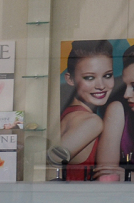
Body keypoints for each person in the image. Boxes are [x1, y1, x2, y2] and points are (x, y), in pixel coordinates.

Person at [54, 39, 114, 180]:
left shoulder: (72, 114)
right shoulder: (91, 122)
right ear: (70, 79)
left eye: (107, 75)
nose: (101, 85)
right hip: (80, 199)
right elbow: (51, 161)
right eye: (89, 77)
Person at [96, 44, 134, 181]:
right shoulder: (119, 110)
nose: (126, 94)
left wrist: (128, 176)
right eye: (125, 85)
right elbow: (107, 176)